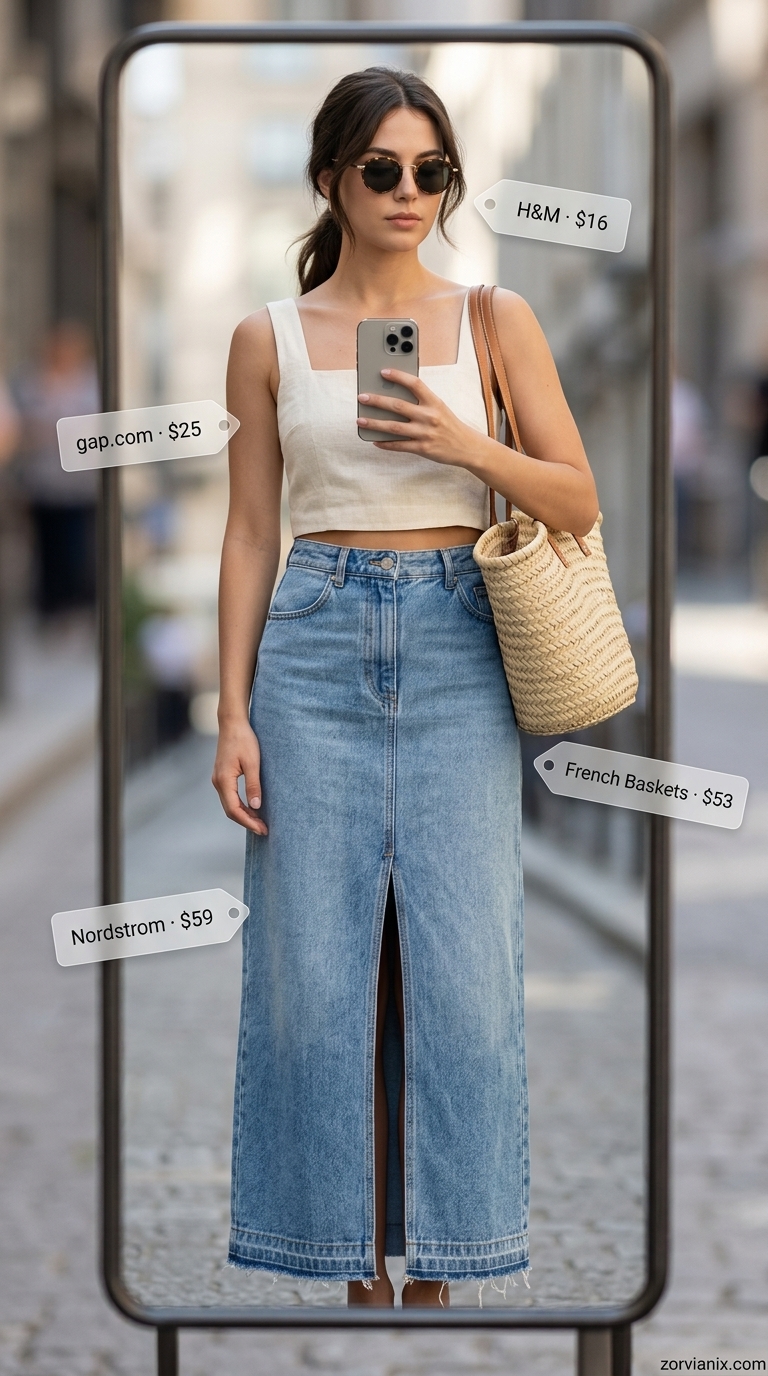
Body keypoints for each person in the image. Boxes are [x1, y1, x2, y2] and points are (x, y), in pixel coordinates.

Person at [213, 66, 598, 1308]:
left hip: (455, 636)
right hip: (314, 638)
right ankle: (339, 1250)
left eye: (431, 171)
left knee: (462, 967)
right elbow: (248, 529)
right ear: (330, 174)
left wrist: (462, 442)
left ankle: (449, 1243)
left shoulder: (495, 318)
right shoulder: (266, 336)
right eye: (382, 168)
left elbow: (577, 496)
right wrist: (230, 709)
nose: (408, 193)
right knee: (316, 970)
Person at [11, 321, 99, 619]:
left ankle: (76, 609)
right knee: (48, 555)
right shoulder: (30, 380)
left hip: (80, 488)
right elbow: (18, 431)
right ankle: (52, 611)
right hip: (44, 486)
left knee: (77, 550)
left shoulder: (91, 381)